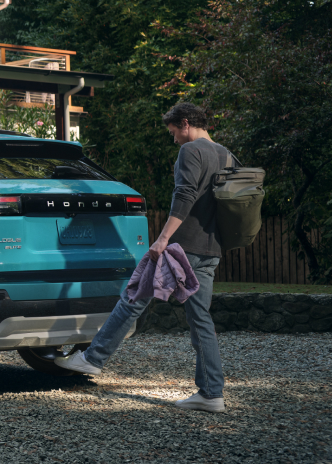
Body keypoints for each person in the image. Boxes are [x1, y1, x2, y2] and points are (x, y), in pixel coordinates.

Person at [57, 102, 231, 413]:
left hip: (182, 248)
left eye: (174, 132)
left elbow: (185, 195)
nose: (174, 139)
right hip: (211, 250)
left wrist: (163, 238)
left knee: (134, 295)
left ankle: (93, 358)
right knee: (201, 320)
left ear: (186, 123)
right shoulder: (226, 154)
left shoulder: (191, 151)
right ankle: (211, 393)